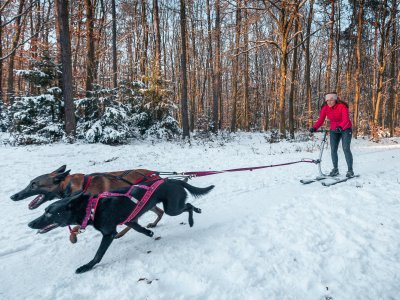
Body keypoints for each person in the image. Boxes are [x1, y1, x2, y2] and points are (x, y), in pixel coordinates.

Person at [309, 92, 354, 178]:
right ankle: (335, 169)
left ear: (335, 100)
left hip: (345, 129)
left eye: (331, 100)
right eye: (327, 100)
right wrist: (314, 128)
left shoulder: (342, 107)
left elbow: (346, 119)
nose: (329, 102)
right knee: (333, 149)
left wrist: (341, 127)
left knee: (346, 148)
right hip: (334, 129)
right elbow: (321, 120)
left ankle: (350, 170)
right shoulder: (325, 108)